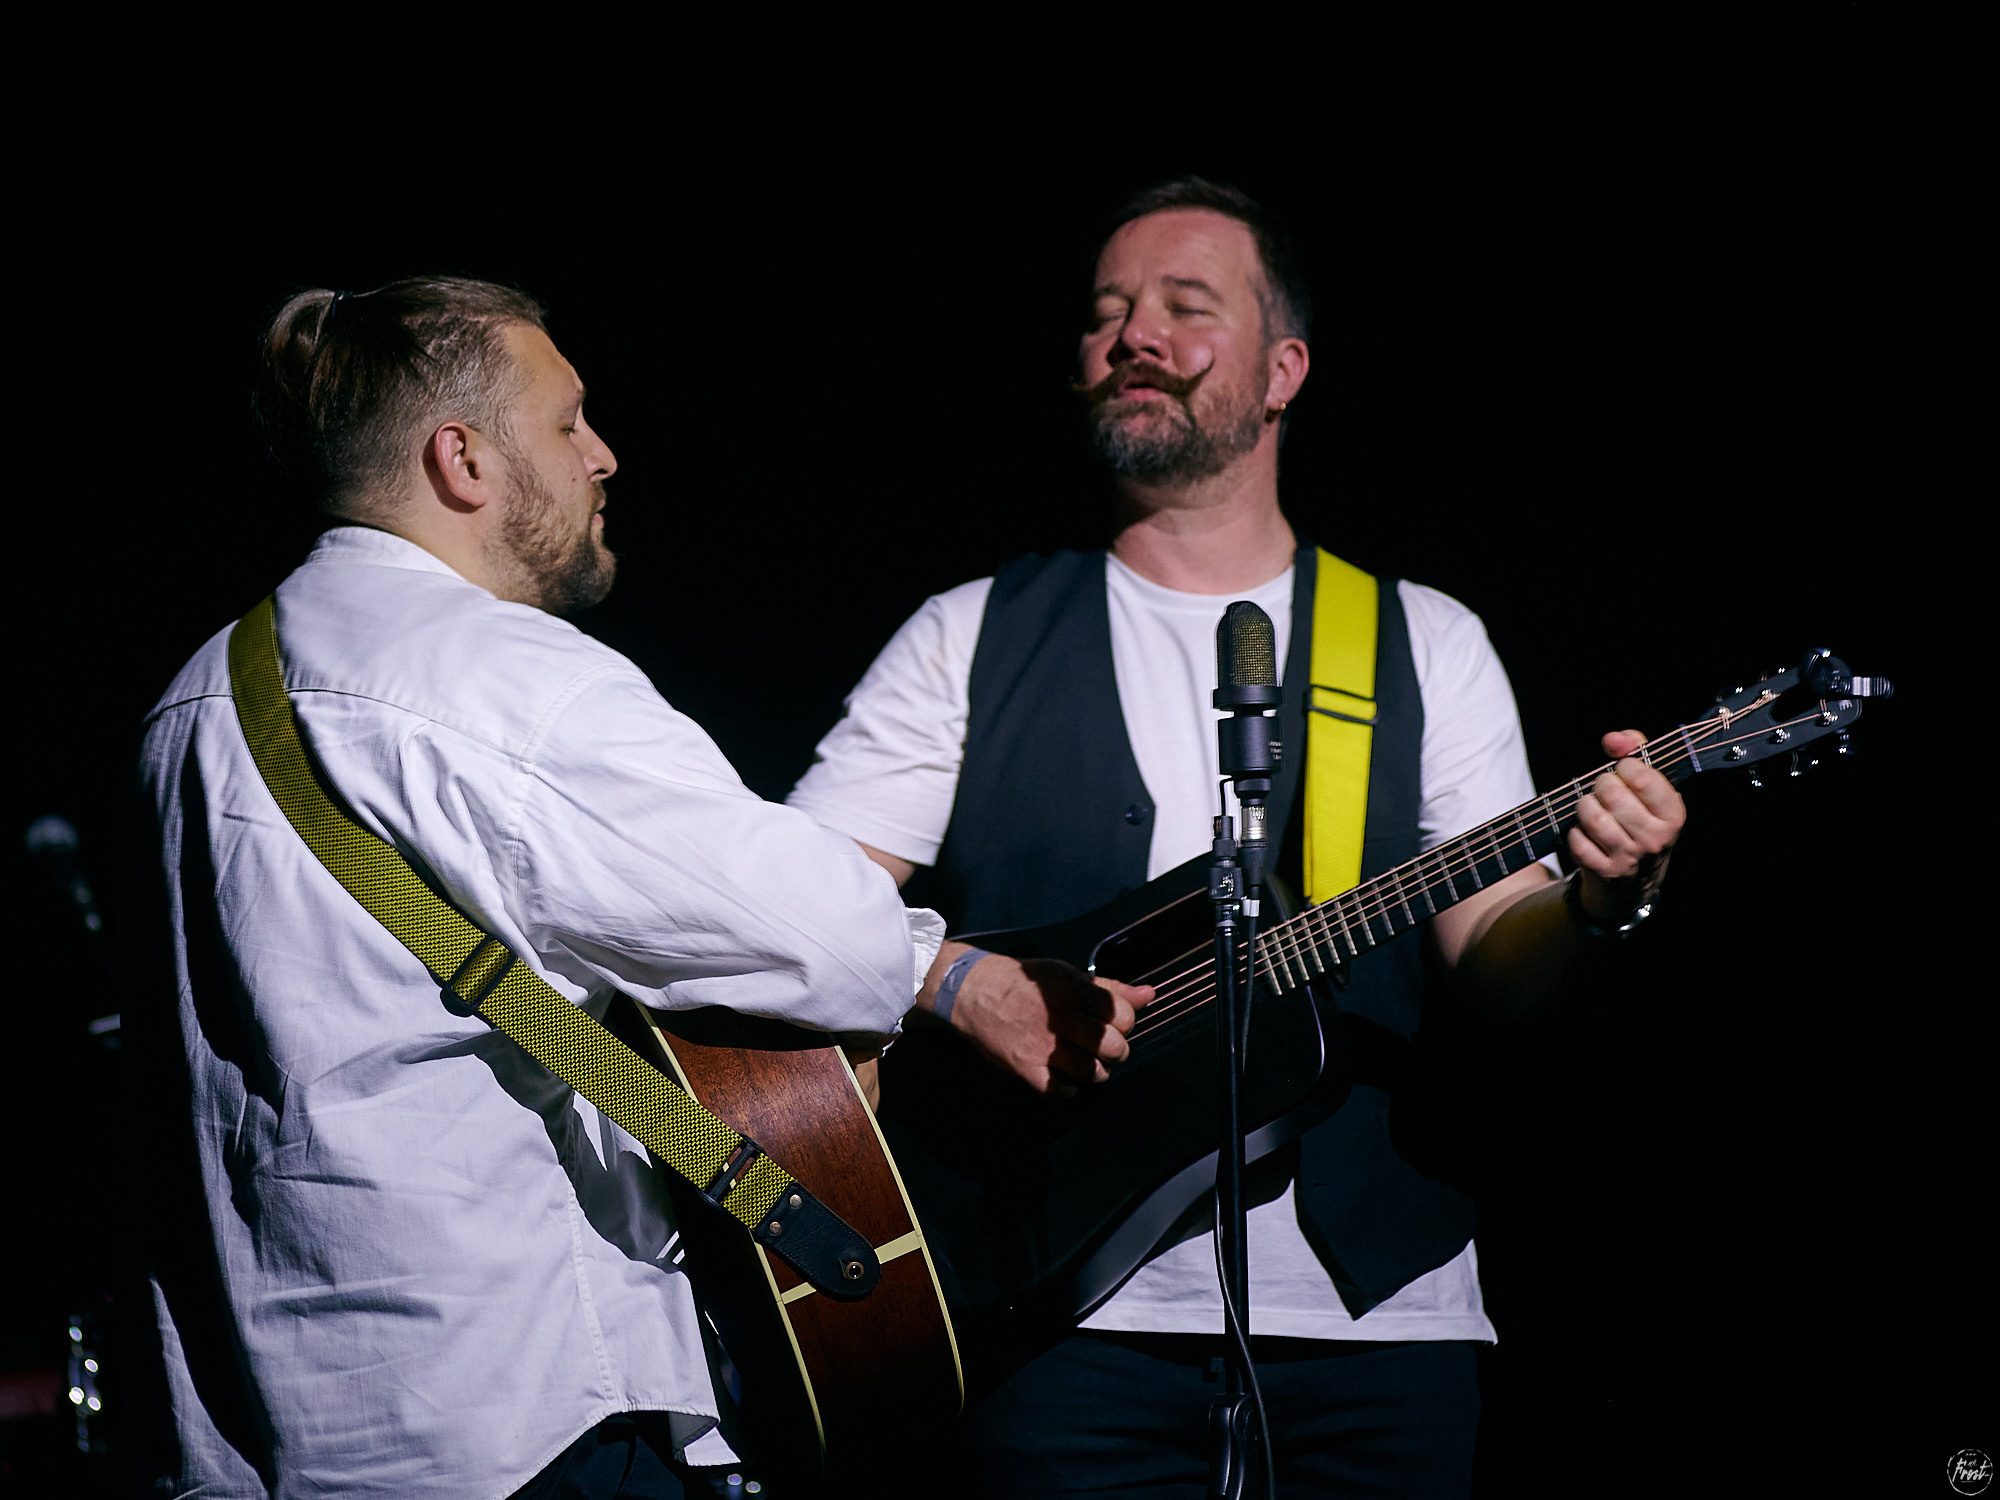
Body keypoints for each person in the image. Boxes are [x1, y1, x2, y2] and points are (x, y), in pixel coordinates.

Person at [785, 180, 1686, 1497]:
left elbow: (1490, 953)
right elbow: (795, 900)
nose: (1131, 336)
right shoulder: (971, 633)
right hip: (1055, 1319)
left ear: (1283, 370)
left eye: (1183, 309)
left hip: (1379, 1328)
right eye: (1105, 314)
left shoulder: (1419, 642)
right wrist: (953, 980)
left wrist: (1602, 901)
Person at [130, 278, 944, 1499]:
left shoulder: (187, 704)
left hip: (270, 1430)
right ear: (460, 458)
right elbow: (847, 946)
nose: (602, 456)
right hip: (524, 1418)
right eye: (567, 422)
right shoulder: (504, 679)